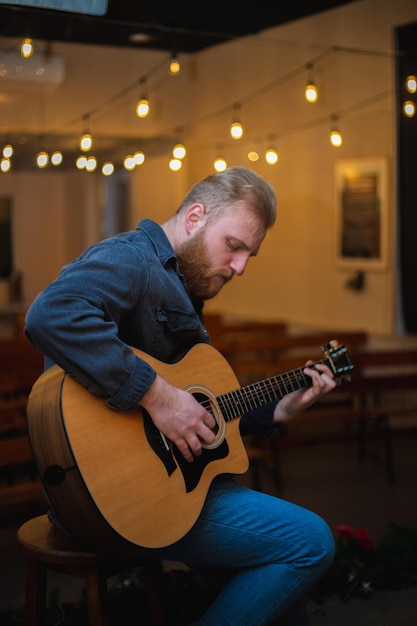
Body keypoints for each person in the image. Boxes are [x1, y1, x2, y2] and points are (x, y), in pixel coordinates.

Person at [25, 166, 336, 625]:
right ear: (194, 218)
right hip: (107, 496)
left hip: (161, 491)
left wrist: (283, 407)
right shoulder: (133, 260)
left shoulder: (182, 284)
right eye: (234, 246)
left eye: (250, 254)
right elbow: (50, 315)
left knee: (282, 588)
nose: (240, 267)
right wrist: (159, 397)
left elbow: (201, 410)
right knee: (311, 543)